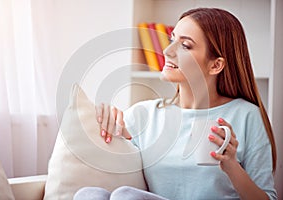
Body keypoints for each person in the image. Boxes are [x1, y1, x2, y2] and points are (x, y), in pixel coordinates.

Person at [74, 7, 277, 200]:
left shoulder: (247, 115)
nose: (167, 51)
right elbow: (113, 148)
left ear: (215, 65)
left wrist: (231, 165)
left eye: (185, 45)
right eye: (172, 40)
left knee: (127, 196)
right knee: (88, 195)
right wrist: (103, 116)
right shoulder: (144, 114)